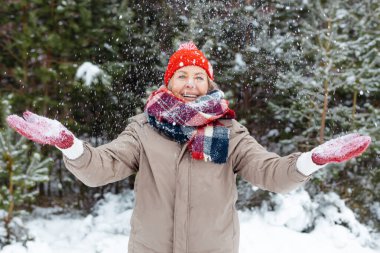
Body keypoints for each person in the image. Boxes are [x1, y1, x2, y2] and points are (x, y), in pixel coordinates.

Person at [7, 41, 371, 253]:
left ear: (209, 84)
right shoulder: (144, 128)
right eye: (182, 75)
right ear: (169, 83)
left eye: (199, 76)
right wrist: (69, 145)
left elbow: (270, 172)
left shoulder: (228, 130)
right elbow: (102, 166)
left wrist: (311, 160)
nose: (191, 83)